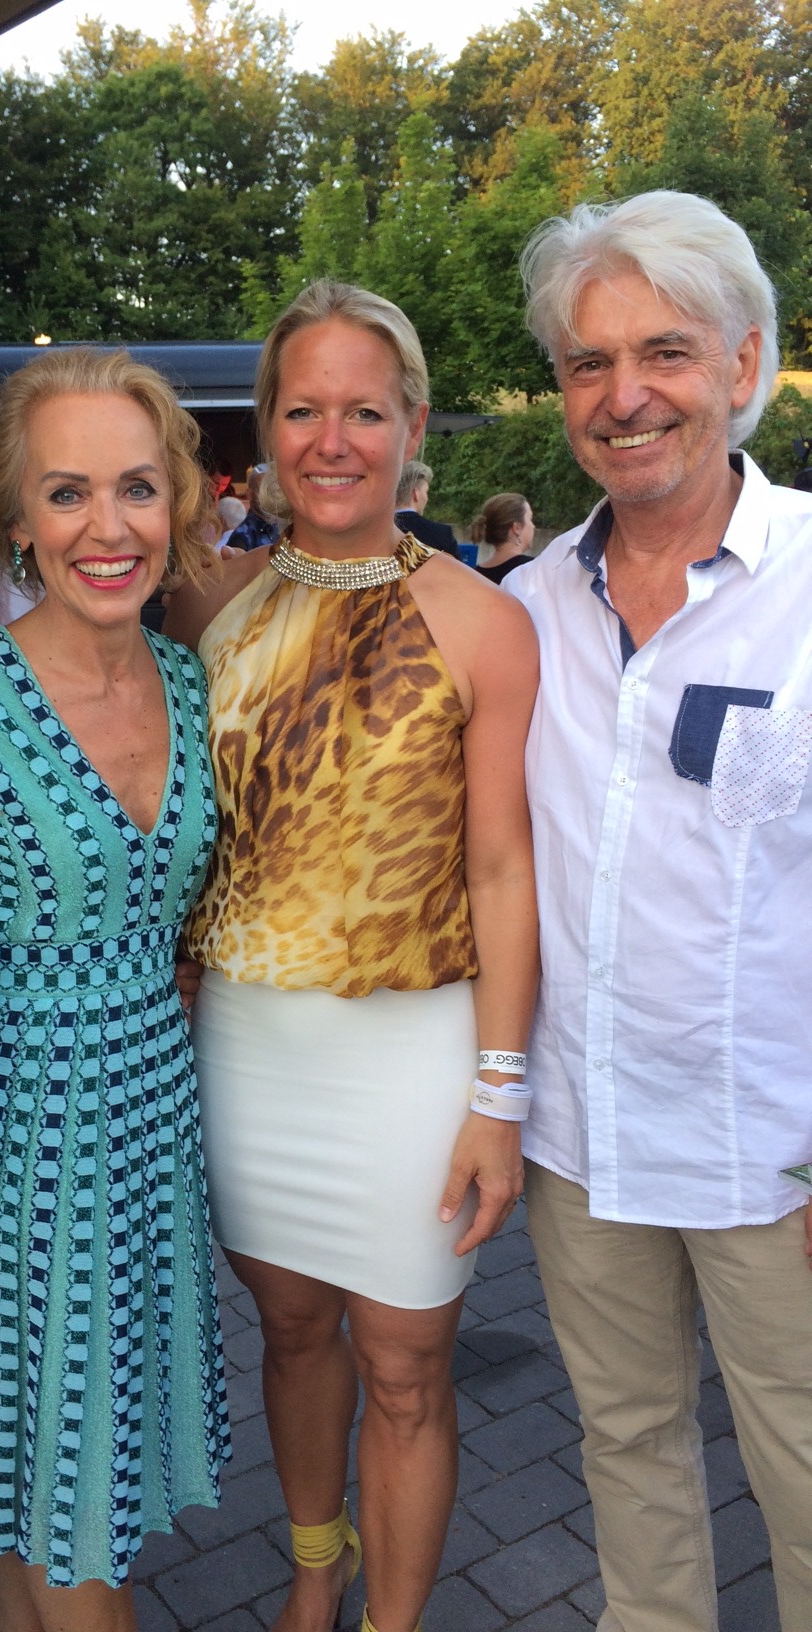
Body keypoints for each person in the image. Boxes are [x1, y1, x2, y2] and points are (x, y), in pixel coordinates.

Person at [165, 280, 540, 1632]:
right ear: (267, 427)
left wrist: (498, 1096)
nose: (332, 441)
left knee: (407, 1365)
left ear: (414, 425)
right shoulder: (204, 610)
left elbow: (502, 870)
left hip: (416, 1055)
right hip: (249, 1049)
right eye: (304, 409)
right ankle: (317, 1576)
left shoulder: (484, 622)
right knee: (289, 1330)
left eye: (365, 412)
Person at [509, 190, 812, 1632]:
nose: (624, 395)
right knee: (625, 1451)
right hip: (586, 1143)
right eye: (590, 361)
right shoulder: (528, 608)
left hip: (780, 1159)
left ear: (744, 365)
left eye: (666, 353)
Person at [0, 346, 230, 1631]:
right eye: (67, 492)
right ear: (18, 520)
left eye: (137, 488)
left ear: (176, 504)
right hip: (37, 1133)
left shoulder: (191, 679)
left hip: (158, 1114)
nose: (108, 527)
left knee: (42, 1474)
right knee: (58, 1495)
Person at [393, 458, 459, 557]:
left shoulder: (376, 531)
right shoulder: (441, 534)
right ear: (415, 494)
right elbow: (457, 566)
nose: (427, 498)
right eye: (426, 492)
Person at [471, 492, 536, 583]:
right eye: (530, 519)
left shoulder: (474, 575)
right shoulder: (533, 570)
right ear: (517, 527)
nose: (533, 526)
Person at [227, 462, 282, 550]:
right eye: (261, 491)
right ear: (249, 494)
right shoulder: (241, 538)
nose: (268, 497)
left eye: (272, 490)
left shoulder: (282, 529)